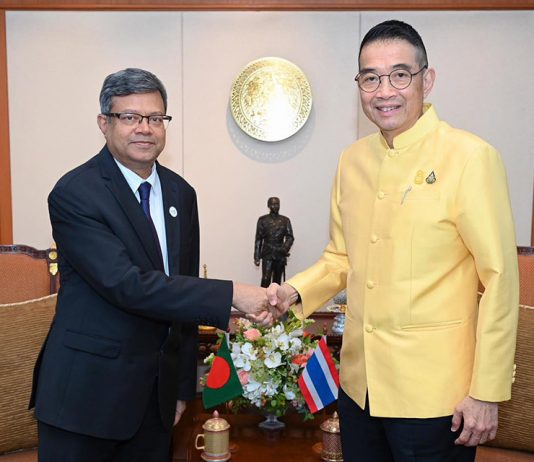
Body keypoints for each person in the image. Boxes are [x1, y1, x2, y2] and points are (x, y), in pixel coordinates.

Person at [268, 20, 519, 462]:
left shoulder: (470, 157)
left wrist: (487, 390)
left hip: (437, 396)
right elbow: (341, 257)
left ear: (427, 79)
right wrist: (291, 293)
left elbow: (500, 278)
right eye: (371, 78)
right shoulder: (352, 160)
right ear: (359, 86)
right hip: (360, 388)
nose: (384, 91)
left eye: (400, 75)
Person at [30, 68, 277, 462]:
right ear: (104, 123)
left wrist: (181, 387)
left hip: (154, 400)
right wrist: (233, 294)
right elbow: (127, 285)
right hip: (86, 399)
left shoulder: (181, 193)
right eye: (130, 117)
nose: (144, 128)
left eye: (156, 118)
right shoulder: (76, 193)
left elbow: (182, 292)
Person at [254, 197, 294, 287]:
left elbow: (290, 237)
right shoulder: (262, 220)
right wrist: (257, 257)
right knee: (266, 278)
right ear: (268, 206)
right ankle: (262, 295)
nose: (275, 206)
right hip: (267, 253)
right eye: (273, 204)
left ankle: (275, 296)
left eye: (277, 204)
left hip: (279, 253)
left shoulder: (285, 220)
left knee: (276, 281)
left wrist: (285, 248)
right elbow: (259, 239)